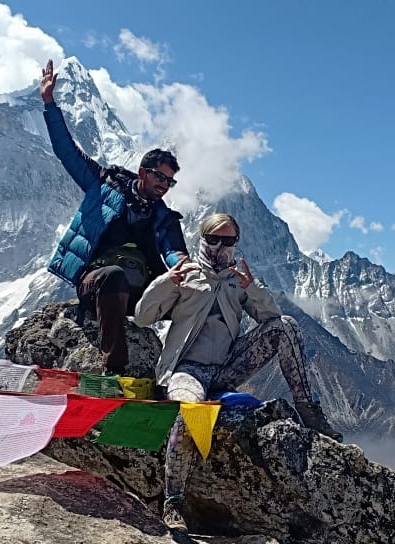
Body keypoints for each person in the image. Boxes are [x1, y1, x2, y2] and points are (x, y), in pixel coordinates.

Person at [134, 213, 342, 533]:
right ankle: (173, 501)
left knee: (286, 327)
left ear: (236, 243)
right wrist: (165, 283)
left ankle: (309, 411)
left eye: (228, 241)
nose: (220, 247)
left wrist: (252, 288)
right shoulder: (186, 275)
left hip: (226, 368)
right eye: (214, 239)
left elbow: (271, 320)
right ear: (202, 239)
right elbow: (143, 316)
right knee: (191, 412)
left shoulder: (236, 280)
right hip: (186, 369)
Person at [39, 59, 188, 375]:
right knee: (113, 275)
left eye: (170, 182)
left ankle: (184, 371)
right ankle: (115, 368)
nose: (164, 186)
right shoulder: (104, 184)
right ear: (143, 173)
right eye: (160, 178)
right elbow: (68, 152)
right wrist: (50, 104)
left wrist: (182, 267)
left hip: (142, 292)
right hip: (98, 282)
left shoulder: (163, 216)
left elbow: (174, 250)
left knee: (196, 299)